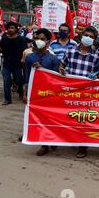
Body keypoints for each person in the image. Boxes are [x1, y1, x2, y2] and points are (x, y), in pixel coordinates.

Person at [59, 26, 99, 158]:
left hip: (86, 92)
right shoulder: (70, 51)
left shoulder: (96, 56)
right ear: (81, 35)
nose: (88, 38)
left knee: (84, 119)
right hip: (70, 92)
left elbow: (98, 71)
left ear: (94, 40)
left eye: (91, 37)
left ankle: (82, 147)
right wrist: (61, 70)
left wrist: (97, 75)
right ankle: (53, 141)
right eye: (86, 35)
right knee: (65, 116)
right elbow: (62, 65)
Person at [24, 28, 61, 156]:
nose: (39, 41)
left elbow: (55, 78)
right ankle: (44, 145)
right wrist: (25, 93)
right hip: (34, 92)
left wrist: (43, 70)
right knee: (38, 119)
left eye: (42, 39)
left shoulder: (53, 59)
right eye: (37, 38)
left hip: (49, 94)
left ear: (48, 42)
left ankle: (53, 140)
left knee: (50, 119)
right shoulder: (29, 57)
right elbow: (27, 76)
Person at [0, 22, 27, 105]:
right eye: (9, 28)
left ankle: (20, 91)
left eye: (12, 28)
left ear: (16, 29)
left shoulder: (21, 39)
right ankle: (7, 99)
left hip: (17, 64)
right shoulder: (4, 39)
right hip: (6, 64)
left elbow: (25, 51)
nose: (10, 29)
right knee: (6, 81)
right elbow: (1, 50)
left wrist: (23, 62)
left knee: (18, 81)